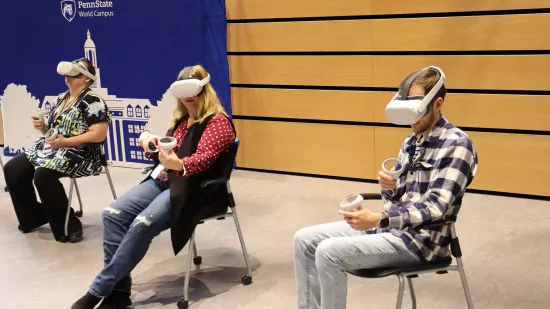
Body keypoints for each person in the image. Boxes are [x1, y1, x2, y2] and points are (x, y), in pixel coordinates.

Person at [293, 66, 478, 309]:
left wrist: (380, 219)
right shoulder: (411, 142)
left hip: (422, 243)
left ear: (438, 104)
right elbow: (397, 202)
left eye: (418, 112)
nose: (412, 120)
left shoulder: (458, 145)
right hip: (394, 231)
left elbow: (436, 207)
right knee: (303, 240)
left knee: (328, 252)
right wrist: (391, 188)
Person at [71, 64, 236, 309]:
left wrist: (178, 163)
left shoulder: (218, 123)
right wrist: (152, 145)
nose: (188, 96)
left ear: (205, 89)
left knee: (142, 224)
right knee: (112, 215)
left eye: (194, 88)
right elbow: (167, 154)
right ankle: (118, 293)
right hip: (163, 179)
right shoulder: (181, 121)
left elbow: (204, 158)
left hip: (193, 189)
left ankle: (98, 291)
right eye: (182, 90)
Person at [4, 57, 111, 243]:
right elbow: (54, 131)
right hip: (53, 147)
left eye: (74, 74)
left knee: (43, 175)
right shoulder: (62, 98)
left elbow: (98, 135)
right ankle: (34, 217)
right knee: (13, 169)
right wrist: (43, 127)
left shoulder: (93, 101)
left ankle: (68, 226)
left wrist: (66, 142)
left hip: (82, 153)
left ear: (87, 78)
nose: (68, 77)